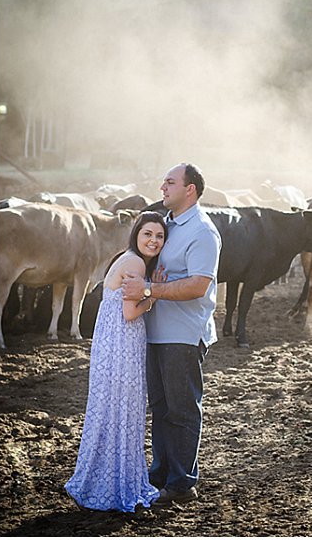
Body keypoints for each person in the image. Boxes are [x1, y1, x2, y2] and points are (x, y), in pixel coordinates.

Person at [121, 163, 221, 506]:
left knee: (181, 408)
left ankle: (182, 484)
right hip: (157, 331)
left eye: (170, 182)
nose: (162, 187)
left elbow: (197, 285)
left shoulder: (202, 231)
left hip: (184, 332)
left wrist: (148, 290)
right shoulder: (170, 226)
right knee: (161, 406)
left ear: (189, 189)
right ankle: (161, 472)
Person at [65, 211, 168, 512]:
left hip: (112, 343)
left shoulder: (126, 257)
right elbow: (129, 313)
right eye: (147, 233)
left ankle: (99, 479)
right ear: (136, 233)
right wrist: (155, 295)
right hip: (122, 343)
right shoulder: (135, 262)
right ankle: (114, 485)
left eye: (159, 236)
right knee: (124, 410)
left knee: (110, 410)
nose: (153, 240)